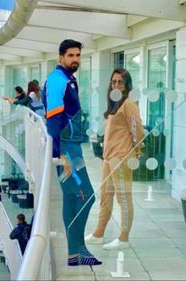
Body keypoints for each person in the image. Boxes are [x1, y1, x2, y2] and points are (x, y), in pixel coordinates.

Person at [43, 39, 101, 266]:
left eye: (78, 55)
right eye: (71, 55)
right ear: (61, 57)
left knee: (70, 198)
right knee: (86, 197)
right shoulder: (59, 81)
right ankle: (79, 248)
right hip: (67, 149)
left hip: (72, 146)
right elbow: (54, 119)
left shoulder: (67, 79)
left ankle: (73, 254)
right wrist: (59, 155)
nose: (75, 59)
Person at [85, 68, 144, 250]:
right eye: (113, 81)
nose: (116, 85)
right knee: (105, 196)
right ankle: (99, 233)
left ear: (126, 85)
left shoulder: (128, 103)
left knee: (123, 198)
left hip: (121, 157)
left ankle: (123, 238)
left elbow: (138, 131)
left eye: (120, 82)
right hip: (108, 157)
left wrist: (135, 150)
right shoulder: (114, 104)